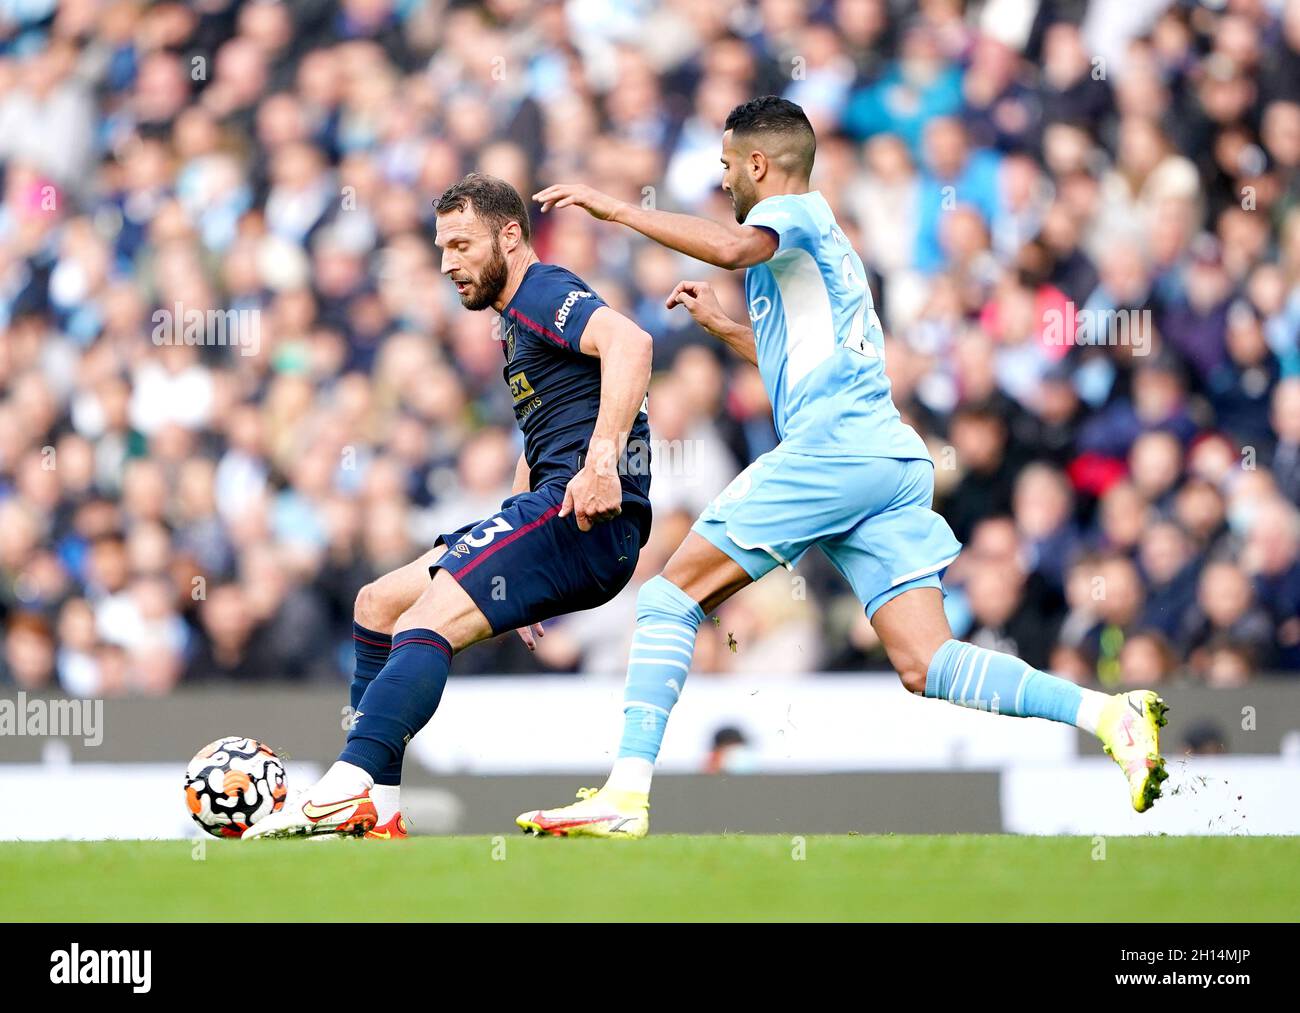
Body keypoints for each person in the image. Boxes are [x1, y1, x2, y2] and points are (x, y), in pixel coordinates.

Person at [517, 97, 1168, 839]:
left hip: (834, 452)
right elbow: (795, 366)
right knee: (927, 661)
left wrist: (616, 209)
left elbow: (731, 248)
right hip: (886, 458)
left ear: (759, 164)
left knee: (669, 597)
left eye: (729, 165)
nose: (724, 179)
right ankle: (1110, 711)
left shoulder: (794, 216)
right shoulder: (808, 257)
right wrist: (728, 327)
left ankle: (625, 793)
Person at [245, 173, 654, 839]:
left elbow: (632, 344)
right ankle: (378, 800)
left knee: (425, 621)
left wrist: (603, 459)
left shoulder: (544, 288)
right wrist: (521, 572)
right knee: (377, 603)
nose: (447, 263)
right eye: (442, 247)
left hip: (588, 517)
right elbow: (543, 440)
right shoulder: (515, 321)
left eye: (462, 244)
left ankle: (353, 780)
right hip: (551, 513)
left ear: (511, 235)